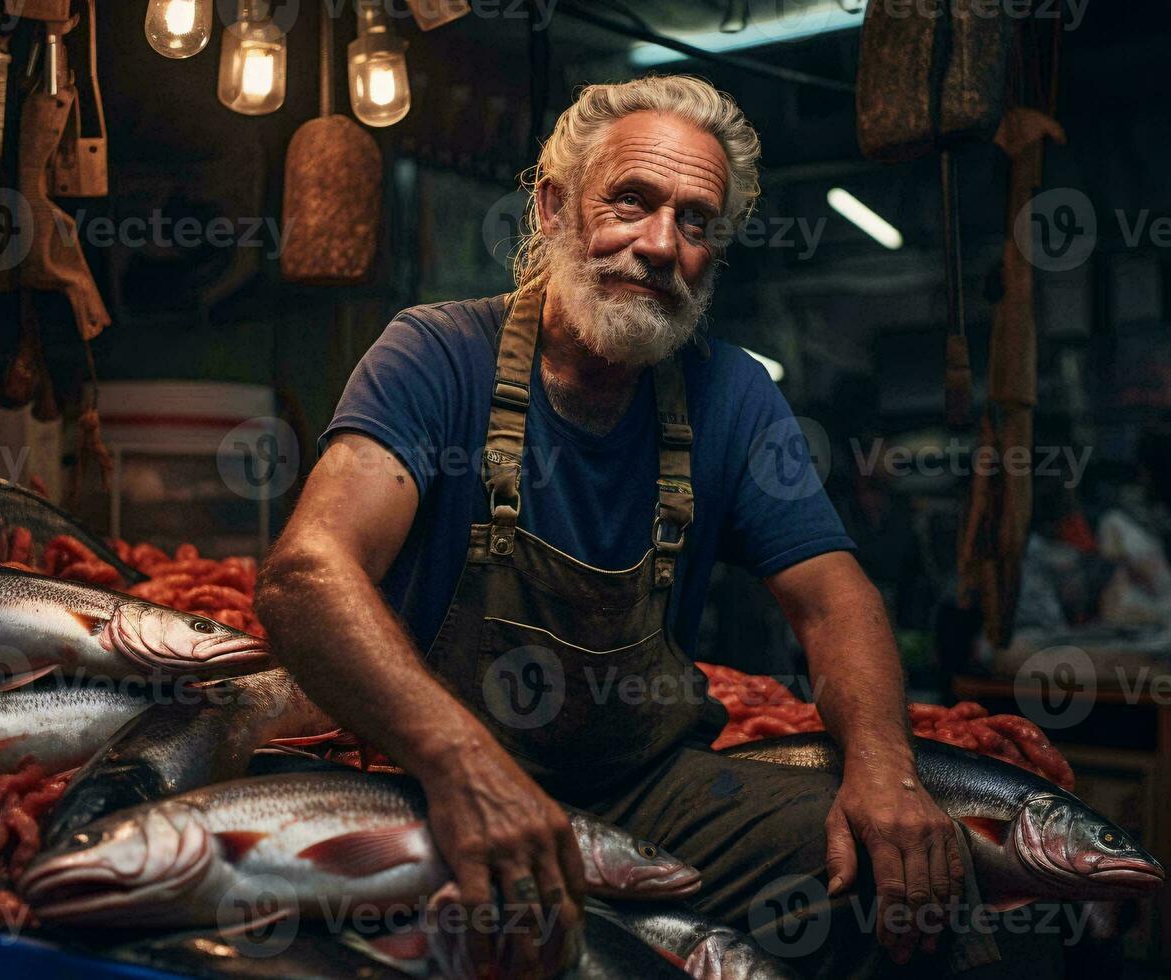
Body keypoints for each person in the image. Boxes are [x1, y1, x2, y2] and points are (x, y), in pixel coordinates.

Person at [257, 76, 1019, 978]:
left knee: (912, 877)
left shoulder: (730, 395)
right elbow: (307, 573)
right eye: (631, 201)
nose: (661, 245)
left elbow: (832, 600)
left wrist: (886, 773)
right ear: (551, 206)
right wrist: (461, 765)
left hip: (648, 789)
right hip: (436, 783)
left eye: (696, 223)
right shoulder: (434, 355)